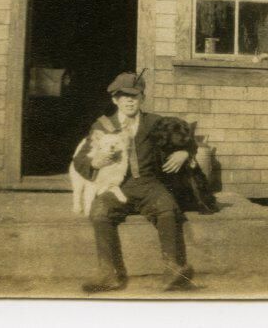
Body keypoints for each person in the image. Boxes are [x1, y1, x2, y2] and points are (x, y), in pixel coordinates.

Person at [72, 71, 195, 292]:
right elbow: (80, 159)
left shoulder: (155, 122)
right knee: (99, 211)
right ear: (115, 100)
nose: (129, 101)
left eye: (135, 96)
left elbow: (185, 136)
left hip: (149, 184)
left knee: (167, 207)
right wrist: (95, 163)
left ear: (142, 98)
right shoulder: (102, 126)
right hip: (115, 186)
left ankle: (173, 269)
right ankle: (108, 274)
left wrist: (184, 152)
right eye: (124, 96)